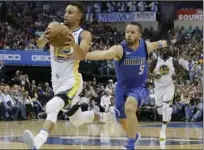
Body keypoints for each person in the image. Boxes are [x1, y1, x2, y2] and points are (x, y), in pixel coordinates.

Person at [22, 2, 114, 149]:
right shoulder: (54, 27)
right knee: (78, 120)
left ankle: (38, 141)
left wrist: (73, 45)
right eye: (65, 12)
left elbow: (82, 55)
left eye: (70, 12)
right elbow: (39, 44)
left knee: (52, 106)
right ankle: (105, 116)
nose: (66, 15)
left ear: (79, 16)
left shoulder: (84, 34)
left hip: (72, 80)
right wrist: (43, 39)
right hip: (56, 83)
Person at [85, 22, 167, 149]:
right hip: (121, 88)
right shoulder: (119, 49)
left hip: (140, 87)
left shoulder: (145, 46)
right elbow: (102, 54)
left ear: (139, 35)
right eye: (127, 32)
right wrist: (83, 55)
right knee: (121, 119)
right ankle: (133, 136)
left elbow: (156, 44)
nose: (128, 34)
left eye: (132, 32)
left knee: (130, 107)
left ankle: (130, 145)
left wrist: (163, 43)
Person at [149, 48, 183, 140]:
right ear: (160, 50)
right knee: (160, 110)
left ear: (169, 50)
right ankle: (169, 112)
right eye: (163, 48)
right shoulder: (156, 61)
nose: (165, 49)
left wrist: (176, 76)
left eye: (166, 48)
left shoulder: (174, 61)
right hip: (158, 87)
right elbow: (148, 72)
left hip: (169, 86)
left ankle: (163, 131)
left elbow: (181, 72)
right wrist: (153, 76)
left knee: (165, 106)